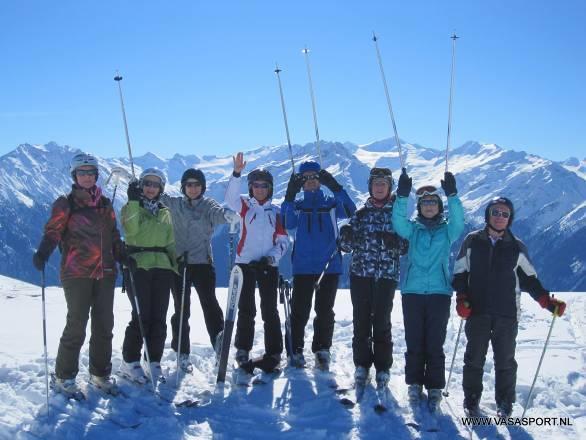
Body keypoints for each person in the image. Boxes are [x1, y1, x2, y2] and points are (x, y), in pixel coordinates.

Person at [452, 196, 566, 418]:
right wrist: (461, 298)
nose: (499, 217)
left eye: (504, 214)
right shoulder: (473, 241)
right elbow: (460, 273)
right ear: (488, 215)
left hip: (507, 313)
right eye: (495, 212)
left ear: (510, 218)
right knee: (474, 358)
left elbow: (530, 280)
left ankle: (505, 403)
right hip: (477, 310)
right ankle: (471, 400)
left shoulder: (517, 247)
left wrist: (546, 301)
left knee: (505, 361)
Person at [32, 153, 123, 396]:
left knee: (104, 325)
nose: (86, 176)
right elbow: (53, 230)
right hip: (77, 273)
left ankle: (100, 373)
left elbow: (113, 234)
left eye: (90, 172)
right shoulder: (66, 203)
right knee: (77, 324)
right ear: (75, 175)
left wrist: (121, 253)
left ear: (96, 176)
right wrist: (43, 251)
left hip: (105, 272)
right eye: (82, 172)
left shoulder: (104, 204)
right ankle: (64, 377)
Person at [392, 168, 465, 413]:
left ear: (439, 206)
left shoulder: (447, 231)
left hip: (439, 293)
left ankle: (434, 386)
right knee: (414, 341)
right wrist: (401, 196)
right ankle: (414, 383)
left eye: (434, 202)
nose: (430, 206)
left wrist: (452, 194)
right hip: (412, 292)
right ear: (419, 207)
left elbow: (459, 221)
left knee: (435, 342)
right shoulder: (412, 230)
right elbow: (398, 222)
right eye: (425, 203)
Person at [160, 168, 239, 372]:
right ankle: (181, 353)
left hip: (203, 264)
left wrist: (228, 216)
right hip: (179, 265)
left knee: (210, 306)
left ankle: (219, 346)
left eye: (197, 185)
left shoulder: (208, 205)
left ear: (202, 187)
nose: (193, 188)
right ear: (183, 187)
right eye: (189, 185)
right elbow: (156, 194)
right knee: (181, 310)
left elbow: (218, 213)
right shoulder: (174, 204)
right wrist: (137, 185)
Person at [281, 160, 356, 370]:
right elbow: (287, 223)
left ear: (321, 179)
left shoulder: (332, 204)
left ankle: (322, 350)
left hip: (329, 265)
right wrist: (289, 196)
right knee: (299, 311)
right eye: (306, 179)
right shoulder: (297, 205)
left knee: (325, 311)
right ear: (300, 183)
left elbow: (352, 211)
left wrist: (336, 187)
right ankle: (294, 350)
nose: (311, 182)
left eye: (315, 177)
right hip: (303, 266)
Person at [339, 168, 408, 389]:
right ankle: (361, 365)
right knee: (361, 321)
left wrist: (394, 242)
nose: (379, 187)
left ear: (389, 187)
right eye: (376, 183)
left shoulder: (397, 215)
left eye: (383, 184)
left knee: (381, 322)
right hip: (361, 275)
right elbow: (346, 247)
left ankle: (383, 367)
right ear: (370, 187)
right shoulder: (360, 214)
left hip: (386, 277)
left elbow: (406, 246)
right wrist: (346, 235)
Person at [224, 152, 288, 374]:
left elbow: (282, 241)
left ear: (270, 188)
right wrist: (236, 174)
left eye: (264, 186)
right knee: (246, 309)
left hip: (268, 266)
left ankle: (274, 351)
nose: (260, 189)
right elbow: (229, 198)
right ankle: (243, 349)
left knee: (270, 309)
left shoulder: (276, 212)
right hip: (244, 265)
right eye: (256, 185)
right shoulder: (244, 206)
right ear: (250, 188)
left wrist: (271, 258)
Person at [119, 168, 178, 384]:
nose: (151, 188)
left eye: (155, 184)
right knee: (141, 316)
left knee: (159, 317)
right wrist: (134, 201)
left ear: (161, 188)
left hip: (162, 267)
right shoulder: (129, 208)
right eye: (147, 184)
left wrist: (175, 267)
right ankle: (130, 362)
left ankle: (153, 360)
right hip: (138, 265)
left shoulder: (165, 212)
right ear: (141, 186)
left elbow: (170, 242)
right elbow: (131, 231)